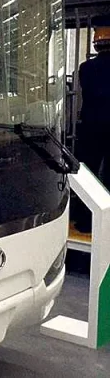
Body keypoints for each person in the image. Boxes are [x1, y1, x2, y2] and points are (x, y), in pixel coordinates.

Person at [74, 27, 110, 232]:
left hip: (92, 126)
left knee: (88, 174)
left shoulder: (86, 68)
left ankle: (85, 220)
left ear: (96, 45)